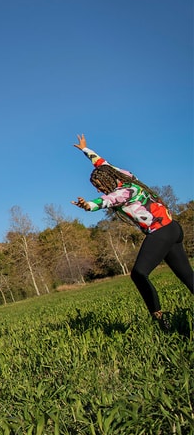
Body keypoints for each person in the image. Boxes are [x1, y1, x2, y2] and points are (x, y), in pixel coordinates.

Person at [71, 134, 193, 328]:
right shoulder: (127, 176)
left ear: (107, 181)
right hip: (173, 229)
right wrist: (86, 150)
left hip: (160, 232)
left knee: (139, 273)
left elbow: (106, 201)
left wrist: (87, 205)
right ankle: (164, 319)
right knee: (188, 276)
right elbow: (103, 164)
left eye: (99, 186)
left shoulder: (123, 193)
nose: (99, 190)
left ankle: (161, 318)